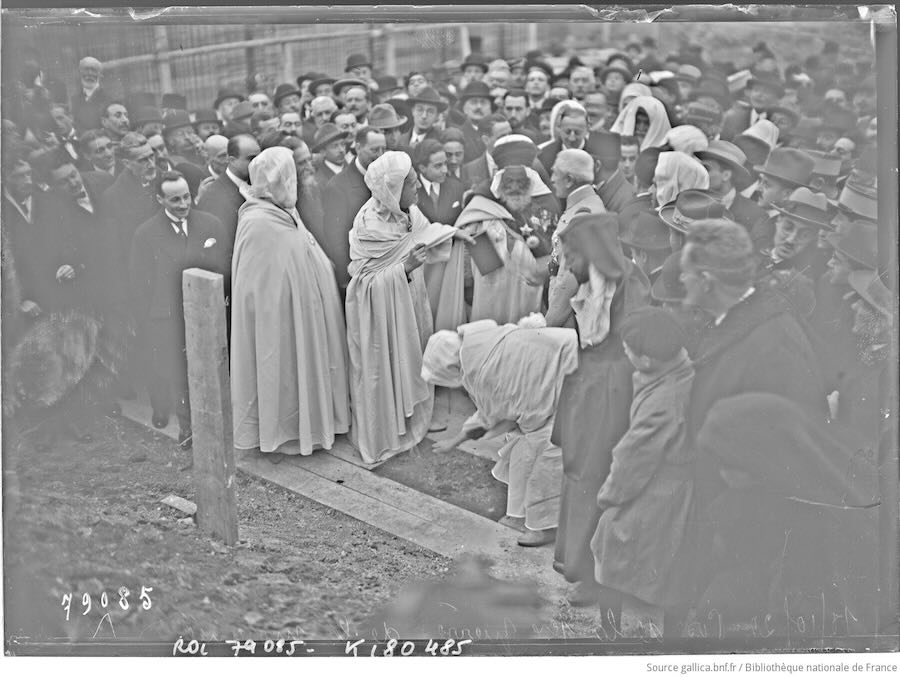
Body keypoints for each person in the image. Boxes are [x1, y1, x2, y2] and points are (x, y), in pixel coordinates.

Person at [344, 151, 471, 464]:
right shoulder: (367, 227)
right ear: (391, 190)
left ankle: (412, 422)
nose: (417, 189)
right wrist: (403, 269)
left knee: (412, 360)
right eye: (411, 184)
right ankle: (385, 434)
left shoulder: (410, 213)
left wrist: (454, 235)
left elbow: (426, 235)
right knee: (382, 371)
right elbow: (362, 282)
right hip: (379, 317)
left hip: (410, 306)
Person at [551, 212, 649, 606]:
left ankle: (595, 574)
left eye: (572, 254)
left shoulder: (628, 282)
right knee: (580, 473)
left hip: (613, 391)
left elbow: (633, 341)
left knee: (599, 477)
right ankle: (576, 562)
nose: (566, 263)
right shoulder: (591, 280)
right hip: (590, 384)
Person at [230, 147, 350, 460]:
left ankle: (316, 424)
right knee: (282, 368)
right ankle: (284, 431)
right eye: (287, 177)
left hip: (306, 312)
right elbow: (259, 284)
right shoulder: (257, 221)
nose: (292, 183)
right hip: (280, 318)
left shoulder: (286, 212)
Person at [422, 317, 579, 547]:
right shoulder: (486, 339)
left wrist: (457, 440)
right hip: (570, 363)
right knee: (521, 446)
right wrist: (456, 440)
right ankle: (521, 513)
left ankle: (545, 526)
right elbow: (497, 409)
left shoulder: (485, 370)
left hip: (572, 382)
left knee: (542, 452)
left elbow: (499, 413)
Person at [589, 307, 697, 622]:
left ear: (647, 360)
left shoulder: (663, 402)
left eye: (628, 350)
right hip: (674, 488)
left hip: (656, 493)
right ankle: (671, 643)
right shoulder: (679, 369)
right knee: (674, 573)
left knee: (609, 550)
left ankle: (610, 632)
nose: (625, 352)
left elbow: (632, 459)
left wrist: (608, 498)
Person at [129, 171, 228, 448]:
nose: (184, 204)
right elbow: (139, 284)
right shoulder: (145, 234)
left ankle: (221, 431)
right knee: (181, 376)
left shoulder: (211, 224)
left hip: (208, 314)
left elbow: (224, 265)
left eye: (186, 196)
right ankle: (189, 433)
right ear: (160, 199)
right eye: (175, 200)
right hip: (169, 319)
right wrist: (151, 323)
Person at [321, 126, 386, 294]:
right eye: (374, 149)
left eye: (383, 149)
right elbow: (336, 238)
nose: (380, 154)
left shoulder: (387, 175)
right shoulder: (337, 187)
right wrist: (347, 278)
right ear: (357, 147)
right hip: (358, 275)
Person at [546, 148, 606, 329]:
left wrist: (549, 322)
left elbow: (571, 281)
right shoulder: (583, 206)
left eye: (555, 173)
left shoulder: (584, 214)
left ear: (570, 180)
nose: (552, 179)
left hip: (571, 315)